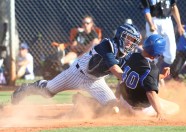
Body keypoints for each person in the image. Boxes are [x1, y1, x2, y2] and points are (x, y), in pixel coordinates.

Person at [11, 24, 141, 112]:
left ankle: (84, 101)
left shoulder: (126, 55)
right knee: (48, 92)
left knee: (112, 108)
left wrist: (125, 91)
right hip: (76, 74)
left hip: (95, 81)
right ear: (120, 35)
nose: (130, 42)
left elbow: (121, 79)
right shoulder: (108, 45)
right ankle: (26, 89)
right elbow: (115, 69)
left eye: (133, 40)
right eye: (128, 38)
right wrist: (130, 80)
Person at [117, 34, 179, 120]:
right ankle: (138, 115)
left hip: (124, 100)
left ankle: (124, 109)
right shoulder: (151, 69)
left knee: (158, 98)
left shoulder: (134, 56)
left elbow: (142, 78)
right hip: (140, 109)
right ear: (158, 53)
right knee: (175, 107)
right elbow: (151, 93)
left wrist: (161, 76)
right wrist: (160, 112)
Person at [140, 0, 185, 71]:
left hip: (167, 21)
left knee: (171, 56)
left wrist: (179, 25)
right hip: (153, 20)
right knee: (152, 51)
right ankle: (153, 75)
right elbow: (146, 10)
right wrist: (151, 24)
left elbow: (173, 7)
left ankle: (160, 73)